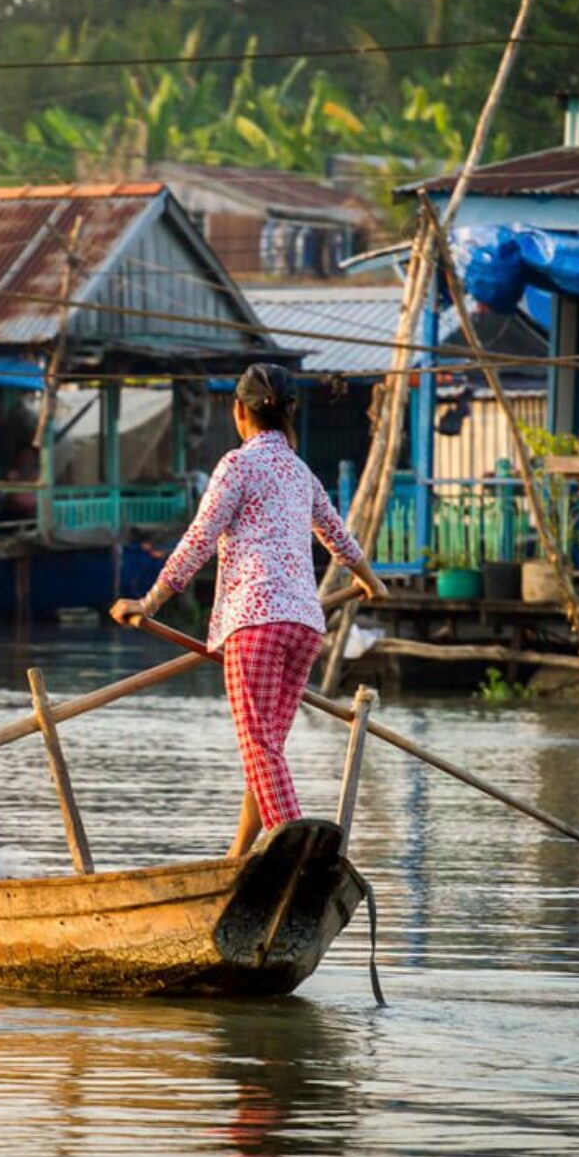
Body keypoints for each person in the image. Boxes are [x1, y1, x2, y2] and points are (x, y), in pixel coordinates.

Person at [109, 363, 387, 858]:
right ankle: (237, 858)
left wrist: (148, 602)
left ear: (239, 411)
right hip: (304, 627)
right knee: (267, 755)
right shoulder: (301, 472)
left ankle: (298, 851)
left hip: (255, 623)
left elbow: (198, 540)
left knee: (259, 748)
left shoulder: (237, 465)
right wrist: (371, 582)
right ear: (287, 415)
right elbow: (339, 539)